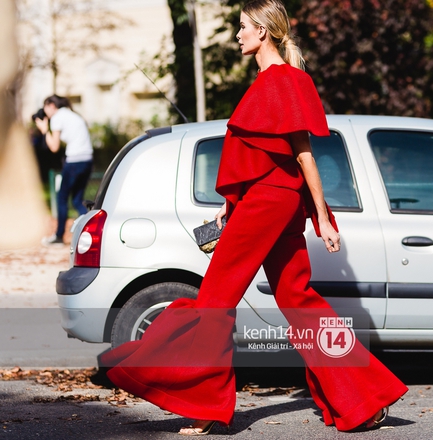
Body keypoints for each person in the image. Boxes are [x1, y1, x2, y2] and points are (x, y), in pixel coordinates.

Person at [100, 0, 408, 435]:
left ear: (263, 31)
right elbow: (260, 155)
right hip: (271, 202)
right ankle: (365, 397)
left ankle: (205, 404)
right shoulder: (277, 82)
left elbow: (304, 155)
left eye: (243, 27)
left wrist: (321, 215)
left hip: (268, 204)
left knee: (214, 300)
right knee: (298, 300)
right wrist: (234, 203)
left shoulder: (282, 80)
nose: (238, 35)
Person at [35, 95, 93, 245]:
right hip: (87, 160)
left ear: (51, 105)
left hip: (74, 161)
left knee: (62, 198)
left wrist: (44, 130)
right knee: (76, 200)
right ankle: (92, 231)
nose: (45, 112)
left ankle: (59, 236)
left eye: (45, 107)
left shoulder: (57, 117)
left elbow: (53, 147)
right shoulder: (72, 114)